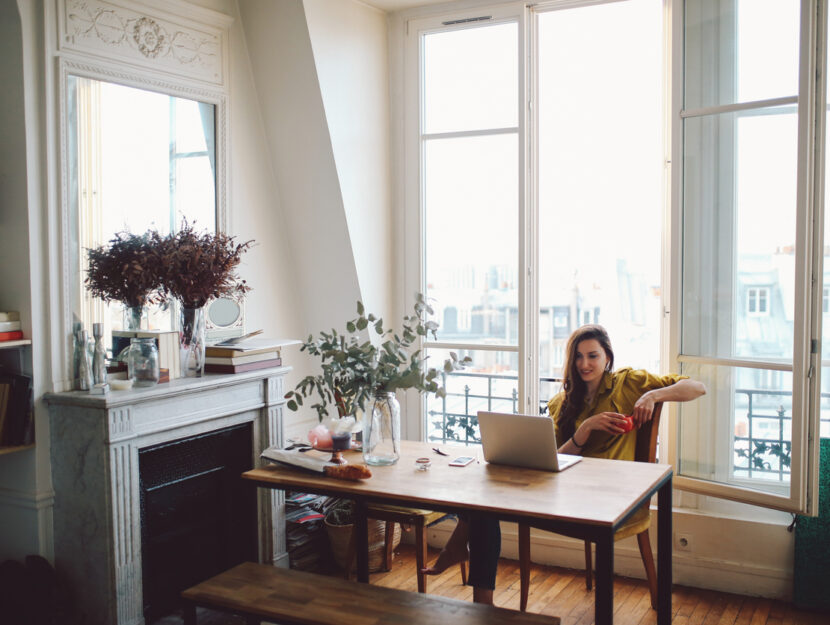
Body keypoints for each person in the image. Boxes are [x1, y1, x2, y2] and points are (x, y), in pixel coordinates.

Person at [422, 324, 706, 604]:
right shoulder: (562, 402)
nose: (584, 363)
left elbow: (696, 386)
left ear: (607, 356)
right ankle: (483, 603)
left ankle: (458, 545)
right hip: (565, 490)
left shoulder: (628, 383)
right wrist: (585, 430)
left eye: (592, 355)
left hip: (613, 494)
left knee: (483, 501)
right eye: (578, 356)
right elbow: (555, 457)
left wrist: (653, 395)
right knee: (485, 494)